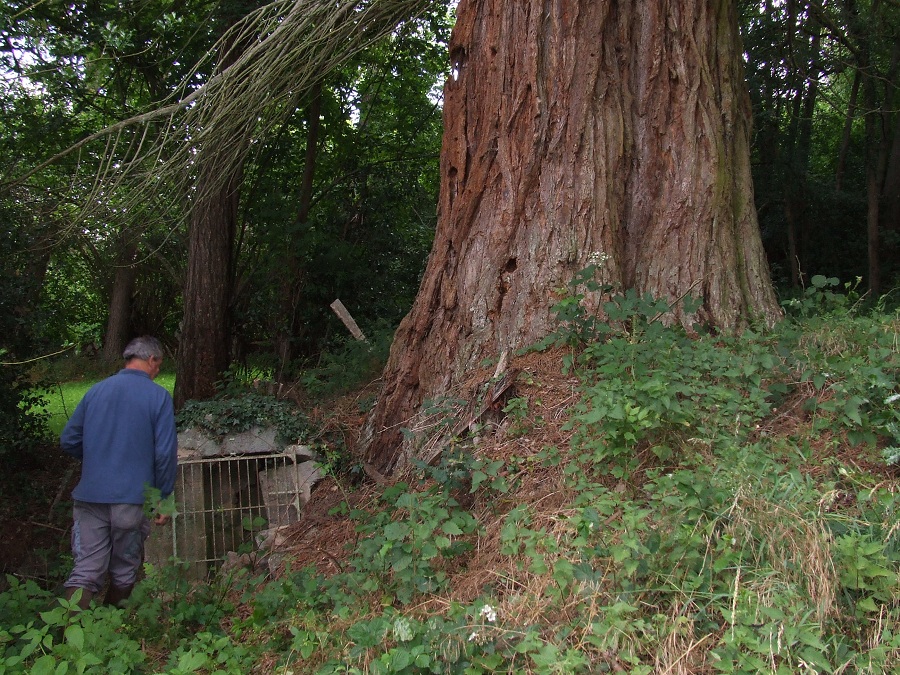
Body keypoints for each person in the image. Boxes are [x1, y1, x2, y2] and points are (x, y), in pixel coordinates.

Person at [60, 335, 178, 609]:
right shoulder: (158, 396)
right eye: (159, 365)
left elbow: (69, 440)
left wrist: (97, 458)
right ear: (151, 360)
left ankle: (65, 642)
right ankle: (112, 629)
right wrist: (163, 498)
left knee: (86, 570)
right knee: (125, 570)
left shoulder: (96, 391)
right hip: (132, 500)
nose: (158, 371)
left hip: (89, 497)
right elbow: (164, 454)